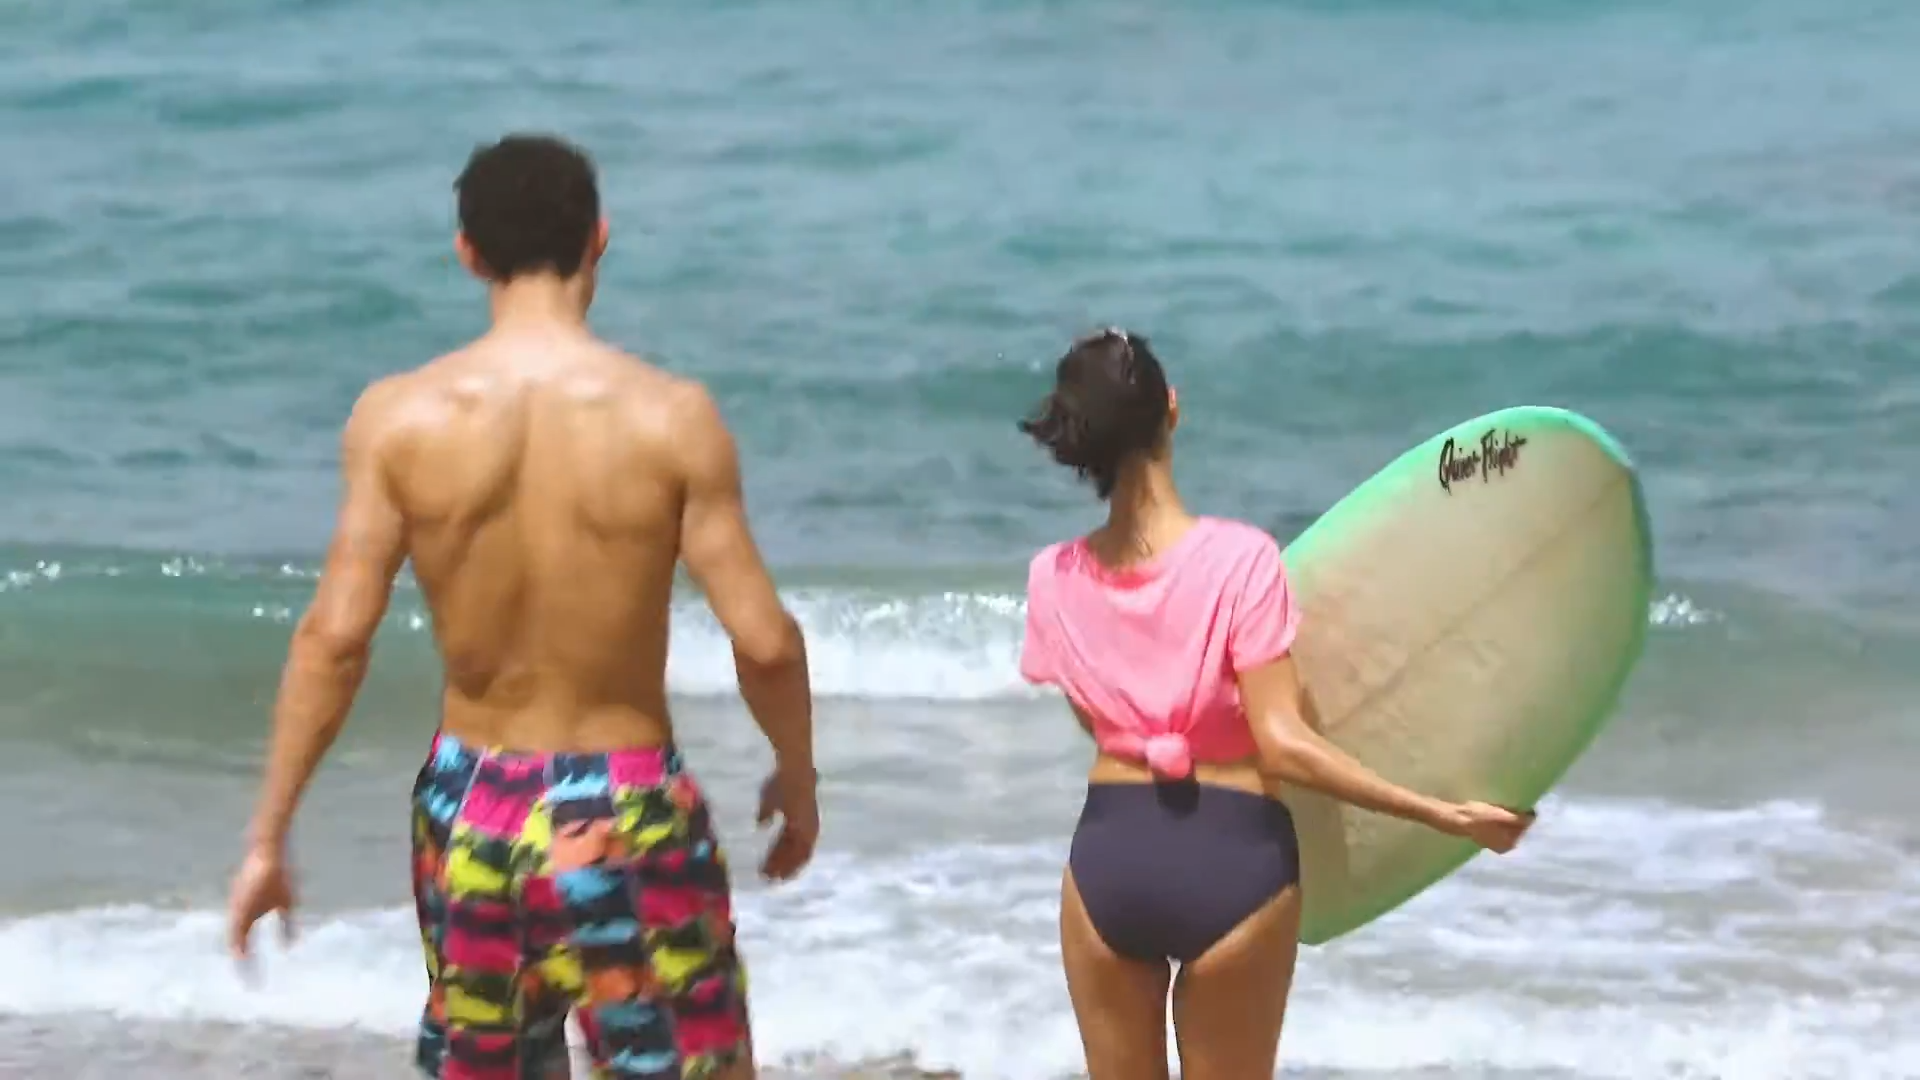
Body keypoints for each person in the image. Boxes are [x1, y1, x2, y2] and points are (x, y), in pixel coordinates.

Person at [224, 133, 818, 1080]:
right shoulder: (670, 417)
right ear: (599, 238)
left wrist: (268, 837)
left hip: (472, 811)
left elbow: (335, 639)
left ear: (468, 253)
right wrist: (797, 775)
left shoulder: (397, 419)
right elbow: (765, 641)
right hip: (624, 810)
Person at [1016, 328, 1534, 1080]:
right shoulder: (1243, 560)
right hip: (1235, 861)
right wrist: (1443, 814)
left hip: (1108, 863)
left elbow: (1098, 725)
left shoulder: (1052, 576)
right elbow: (1283, 742)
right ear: (1171, 409)